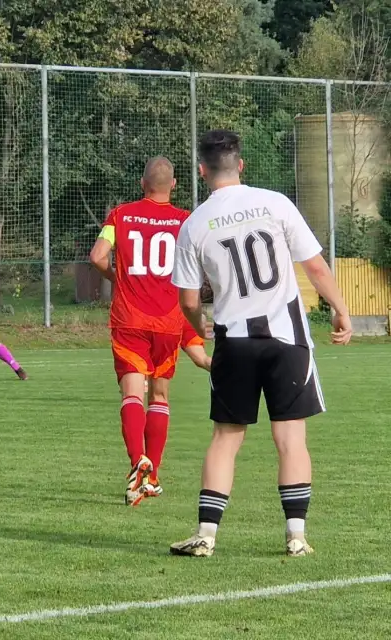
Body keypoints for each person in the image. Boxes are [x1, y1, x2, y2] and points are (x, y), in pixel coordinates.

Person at [169, 129, 352, 557]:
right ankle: (296, 537)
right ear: (241, 165)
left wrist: (198, 327)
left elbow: (189, 300)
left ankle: (206, 536)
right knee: (290, 438)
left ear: (202, 171)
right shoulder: (275, 203)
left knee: (225, 438)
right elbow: (316, 267)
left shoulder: (194, 224)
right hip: (287, 339)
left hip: (234, 342)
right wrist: (340, 309)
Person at [90, 157, 212, 507]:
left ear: (142, 182)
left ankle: (137, 464)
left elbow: (98, 257)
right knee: (159, 397)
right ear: (173, 185)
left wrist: (118, 278)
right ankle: (152, 474)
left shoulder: (121, 215)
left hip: (130, 318)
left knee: (132, 394)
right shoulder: (186, 221)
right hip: (169, 322)